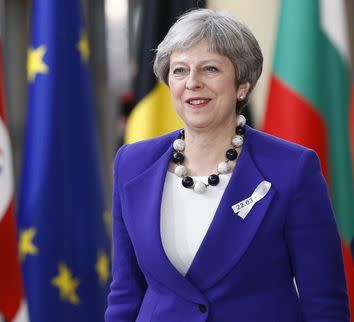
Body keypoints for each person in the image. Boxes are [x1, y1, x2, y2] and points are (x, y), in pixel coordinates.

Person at [105, 8, 349, 322]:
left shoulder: (293, 168)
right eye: (180, 70)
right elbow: (125, 293)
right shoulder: (132, 163)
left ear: (242, 85)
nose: (192, 82)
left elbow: (324, 305)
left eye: (210, 69)